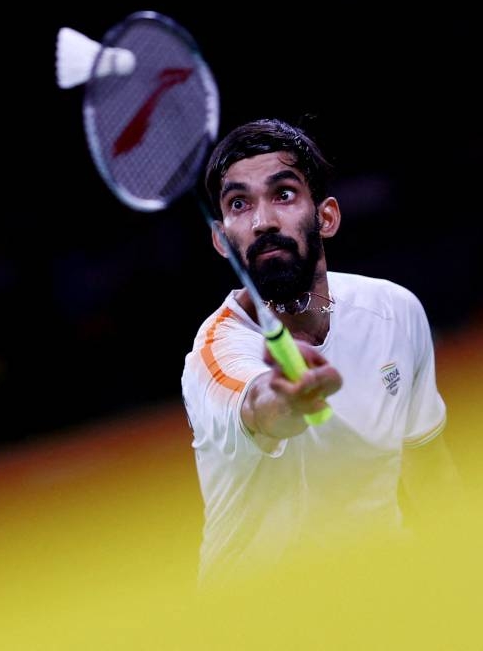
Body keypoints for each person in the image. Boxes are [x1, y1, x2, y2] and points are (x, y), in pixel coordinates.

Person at [181, 118, 457, 586]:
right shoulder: (215, 354)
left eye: (283, 194)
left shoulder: (394, 311)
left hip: (387, 591)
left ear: (326, 217)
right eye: (239, 203)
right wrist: (287, 399)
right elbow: (258, 405)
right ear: (222, 239)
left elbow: (429, 471)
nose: (262, 220)